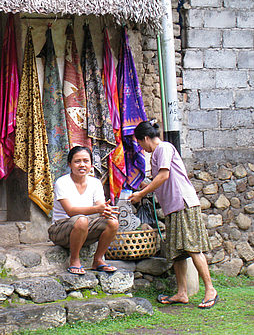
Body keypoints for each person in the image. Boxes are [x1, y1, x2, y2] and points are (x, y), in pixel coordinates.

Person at [129, 121, 218, 309]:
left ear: (145, 138)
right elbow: (159, 181)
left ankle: (210, 289)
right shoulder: (157, 155)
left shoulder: (163, 148)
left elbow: (163, 177)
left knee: (193, 247)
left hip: (183, 203)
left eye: (140, 143)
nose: (141, 148)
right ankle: (181, 293)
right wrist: (141, 187)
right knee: (177, 253)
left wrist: (141, 194)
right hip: (172, 207)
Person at [48, 146, 119, 275]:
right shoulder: (62, 182)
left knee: (112, 222)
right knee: (81, 220)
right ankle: (74, 260)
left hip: (84, 228)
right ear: (70, 164)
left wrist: (106, 210)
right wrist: (98, 209)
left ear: (91, 164)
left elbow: (101, 206)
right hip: (60, 230)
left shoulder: (95, 183)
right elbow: (70, 211)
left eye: (86, 161)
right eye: (77, 161)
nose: (82, 165)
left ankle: (98, 260)